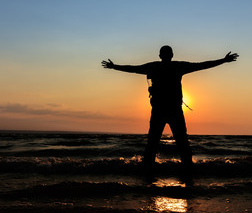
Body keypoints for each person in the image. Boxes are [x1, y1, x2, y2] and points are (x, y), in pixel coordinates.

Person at [101, 45, 239, 175]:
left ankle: (149, 172)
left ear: (161, 55)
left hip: (164, 111)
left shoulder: (156, 67)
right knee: (178, 143)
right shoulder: (175, 66)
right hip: (169, 111)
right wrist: (223, 60)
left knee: (157, 143)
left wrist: (114, 67)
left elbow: (133, 68)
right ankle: (186, 171)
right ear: (170, 55)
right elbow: (201, 65)